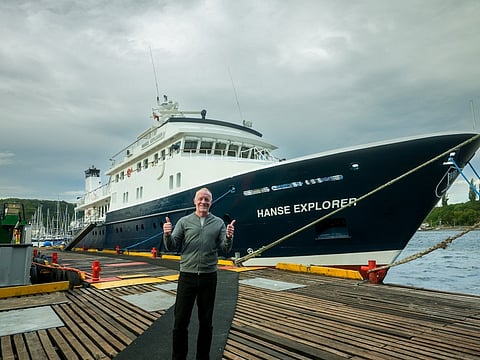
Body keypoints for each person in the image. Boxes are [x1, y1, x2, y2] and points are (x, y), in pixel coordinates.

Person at [163, 187, 235, 360]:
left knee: (206, 322)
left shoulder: (218, 223)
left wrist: (229, 237)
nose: (203, 202)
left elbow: (225, 249)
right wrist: (166, 234)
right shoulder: (184, 222)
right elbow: (172, 246)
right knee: (180, 322)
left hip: (209, 277)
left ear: (211, 202)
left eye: (207, 199)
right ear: (195, 201)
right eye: (200, 199)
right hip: (187, 276)